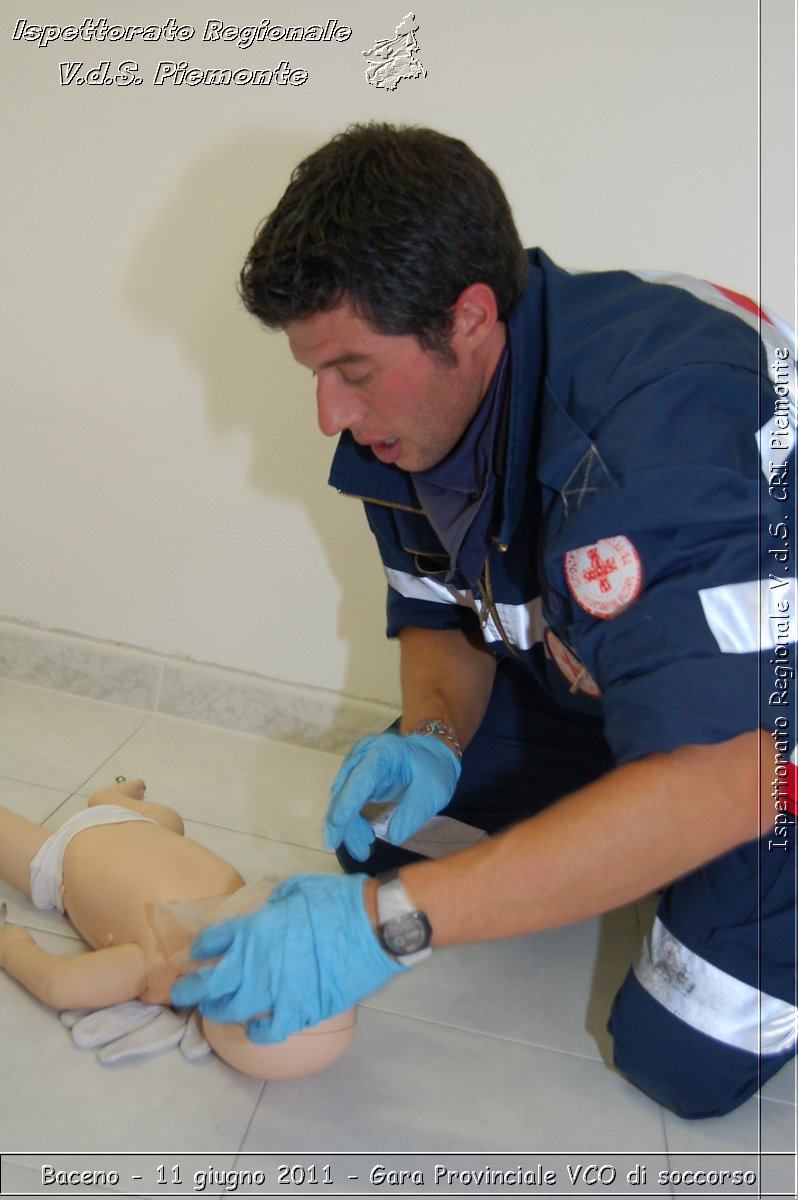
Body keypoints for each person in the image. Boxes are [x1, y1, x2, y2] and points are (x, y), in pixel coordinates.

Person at [173, 122, 797, 1118]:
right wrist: (429, 735)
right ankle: (629, 815)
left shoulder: (651, 433)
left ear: (466, 318)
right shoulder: (418, 420)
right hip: (629, 687)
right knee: (386, 841)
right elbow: (443, 613)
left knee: (679, 1060)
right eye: (314, 375)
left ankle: (654, 829)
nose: (329, 414)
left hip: (769, 739)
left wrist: (390, 931)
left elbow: (744, 770)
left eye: (353, 371)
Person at [0, 778, 355, 1079]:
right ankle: (108, 798)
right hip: (96, 841)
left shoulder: (247, 908)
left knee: (168, 820)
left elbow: (60, 985)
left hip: (101, 839)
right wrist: (11, 945)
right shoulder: (163, 967)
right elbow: (60, 986)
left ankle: (109, 797)